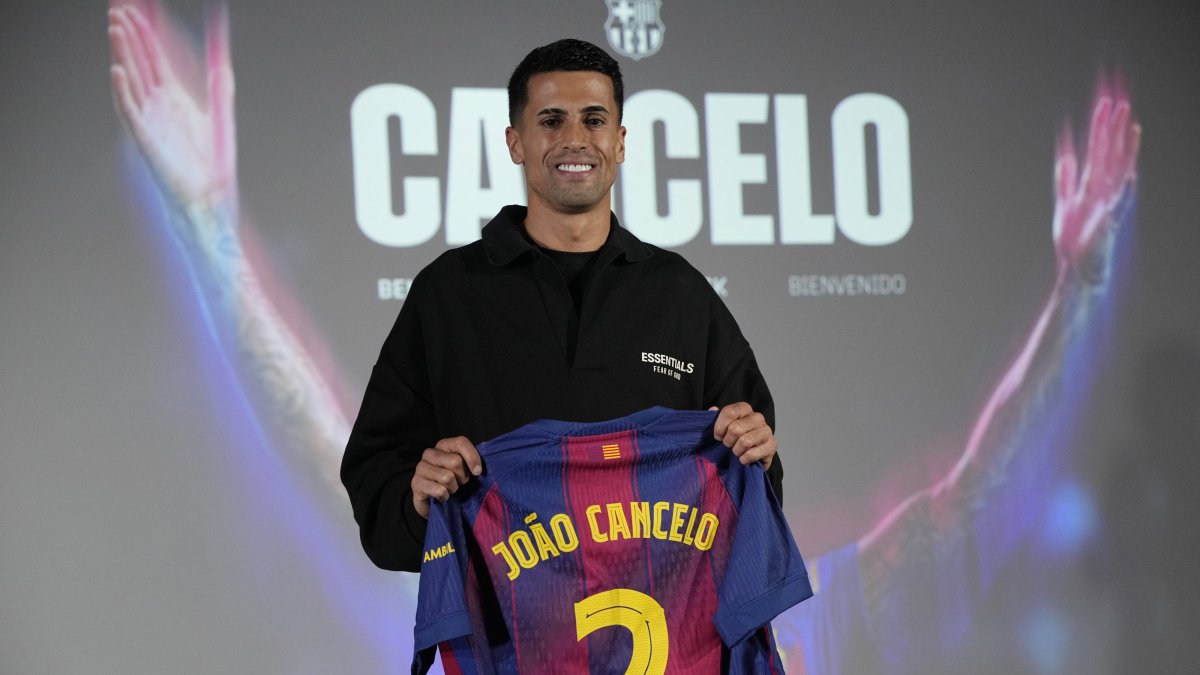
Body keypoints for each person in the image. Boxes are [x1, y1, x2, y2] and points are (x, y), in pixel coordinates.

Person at [340, 39, 782, 573]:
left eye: (594, 120)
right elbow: (378, 479)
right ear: (515, 142)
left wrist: (756, 451)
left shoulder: (680, 293)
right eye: (551, 120)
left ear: (620, 142)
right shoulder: (448, 292)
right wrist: (418, 497)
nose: (574, 139)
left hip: (664, 641)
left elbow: (756, 484)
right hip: (506, 644)